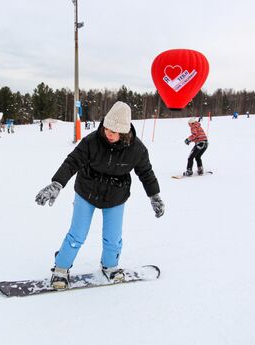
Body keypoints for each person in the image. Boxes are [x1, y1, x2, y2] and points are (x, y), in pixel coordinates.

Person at [35, 101, 165, 290]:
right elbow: (72, 162)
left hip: (116, 196)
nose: (108, 134)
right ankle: (61, 269)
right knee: (77, 234)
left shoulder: (136, 149)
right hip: (87, 191)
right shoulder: (92, 141)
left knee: (113, 238)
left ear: (124, 131)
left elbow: (146, 173)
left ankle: (110, 266)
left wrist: (154, 196)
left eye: (113, 131)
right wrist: (57, 183)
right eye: (106, 129)